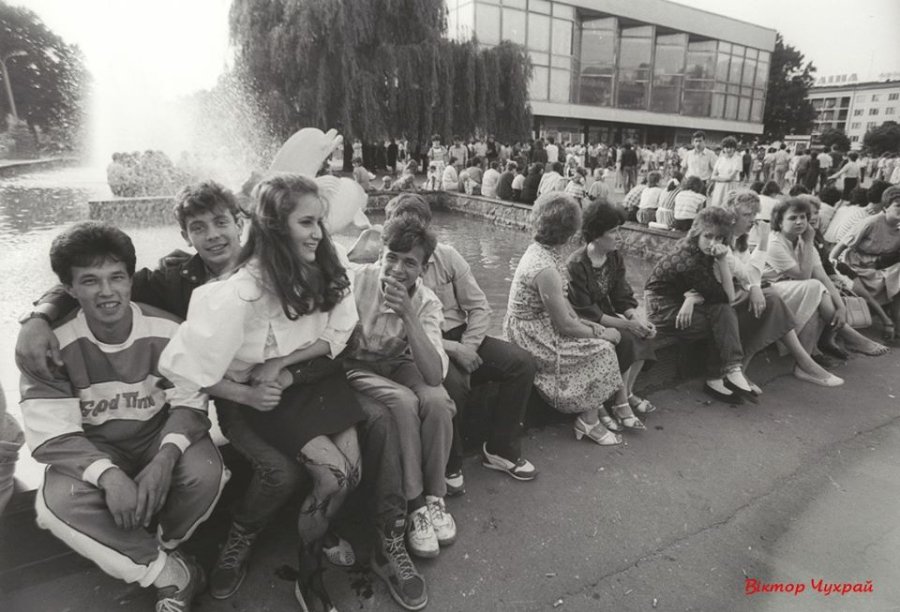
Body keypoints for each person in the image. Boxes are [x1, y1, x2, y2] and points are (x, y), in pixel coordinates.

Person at [157, 176, 368, 610]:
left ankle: (316, 533)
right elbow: (183, 369)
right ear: (274, 226)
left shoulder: (323, 263)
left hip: (313, 382)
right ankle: (307, 573)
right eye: (306, 222)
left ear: (241, 223)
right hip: (259, 396)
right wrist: (250, 392)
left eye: (319, 221)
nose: (318, 233)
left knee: (352, 474)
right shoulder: (235, 291)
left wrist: (283, 363)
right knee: (332, 475)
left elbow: (340, 332)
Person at [19, 222, 227, 612]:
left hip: (155, 438)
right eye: (90, 281)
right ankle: (169, 573)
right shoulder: (50, 345)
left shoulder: (167, 329)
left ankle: (166, 545)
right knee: (55, 505)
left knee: (207, 473)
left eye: (116, 277)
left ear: (131, 280)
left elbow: (190, 403)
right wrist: (108, 475)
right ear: (69, 289)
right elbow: (52, 434)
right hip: (94, 445)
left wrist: (164, 460)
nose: (107, 291)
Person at [382, 195, 538, 494]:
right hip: (424, 345)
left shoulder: (448, 256)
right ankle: (450, 464)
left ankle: (501, 448)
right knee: (452, 385)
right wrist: (455, 350)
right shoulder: (387, 268)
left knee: (522, 363)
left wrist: (468, 346)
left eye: (418, 229)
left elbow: (479, 307)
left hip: (461, 335)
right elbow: (400, 332)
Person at [343, 216, 458, 560]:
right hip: (355, 366)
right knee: (403, 401)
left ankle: (435, 496)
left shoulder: (426, 302)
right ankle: (415, 503)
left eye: (410, 262)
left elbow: (434, 375)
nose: (397, 269)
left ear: (423, 268)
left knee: (437, 401)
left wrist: (408, 315)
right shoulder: (355, 282)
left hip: (396, 363)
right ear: (380, 254)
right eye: (392, 257)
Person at [505, 192, 631, 445]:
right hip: (531, 335)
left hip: (539, 324)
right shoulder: (545, 268)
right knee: (603, 349)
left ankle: (594, 412)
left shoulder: (542, 252)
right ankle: (589, 420)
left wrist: (589, 324)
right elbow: (564, 324)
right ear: (570, 232)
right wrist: (600, 333)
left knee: (601, 342)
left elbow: (563, 306)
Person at [722, 191, 844, 388]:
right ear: (732, 216)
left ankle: (803, 363)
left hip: (742, 292)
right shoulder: (725, 240)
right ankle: (806, 363)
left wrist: (754, 286)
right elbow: (746, 274)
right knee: (777, 299)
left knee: (781, 299)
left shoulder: (740, 239)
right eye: (747, 214)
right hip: (723, 298)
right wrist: (763, 243)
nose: (753, 220)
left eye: (755, 214)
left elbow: (749, 274)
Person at [644, 208, 757, 404]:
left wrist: (693, 299)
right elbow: (728, 296)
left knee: (722, 313)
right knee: (722, 320)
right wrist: (722, 260)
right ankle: (725, 372)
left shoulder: (700, 250)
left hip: (680, 300)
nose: (713, 243)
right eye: (708, 236)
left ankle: (727, 371)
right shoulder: (689, 260)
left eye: (719, 238)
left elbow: (720, 294)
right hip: (661, 307)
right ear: (697, 233)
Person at [764, 197, 888, 361]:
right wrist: (809, 242)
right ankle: (851, 337)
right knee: (814, 287)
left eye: (803, 217)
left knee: (821, 293)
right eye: (792, 218)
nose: (800, 222)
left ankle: (806, 361)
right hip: (768, 290)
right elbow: (803, 276)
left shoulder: (801, 240)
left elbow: (822, 276)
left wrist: (841, 308)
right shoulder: (775, 242)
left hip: (794, 289)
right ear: (780, 222)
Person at [567, 200, 659, 416]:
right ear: (596, 234)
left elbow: (621, 296)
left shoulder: (614, 257)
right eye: (613, 231)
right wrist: (628, 325)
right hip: (584, 320)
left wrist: (637, 320)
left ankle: (627, 392)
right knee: (627, 338)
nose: (620, 236)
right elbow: (587, 310)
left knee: (643, 335)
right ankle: (620, 401)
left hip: (606, 314)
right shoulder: (577, 263)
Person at [831, 186, 900, 342]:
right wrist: (832, 265)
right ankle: (887, 321)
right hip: (856, 266)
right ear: (886, 206)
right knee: (859, 286)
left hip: (878, 268)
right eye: (898, 205)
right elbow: (841, 246)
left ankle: (897, 322)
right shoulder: (871, 222)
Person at [708, 136, 743, 208]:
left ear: (734, 148)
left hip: (730, 187)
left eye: (731, 147)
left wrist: (718, 178)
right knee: (717, 206)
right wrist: (723, 179)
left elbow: (730, 178)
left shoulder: (737, 159)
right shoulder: (720, 159)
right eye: (726, 147)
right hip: (719, 187)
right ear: (723, 148)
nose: (729, 149)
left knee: (729, 207)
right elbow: (713, 176)